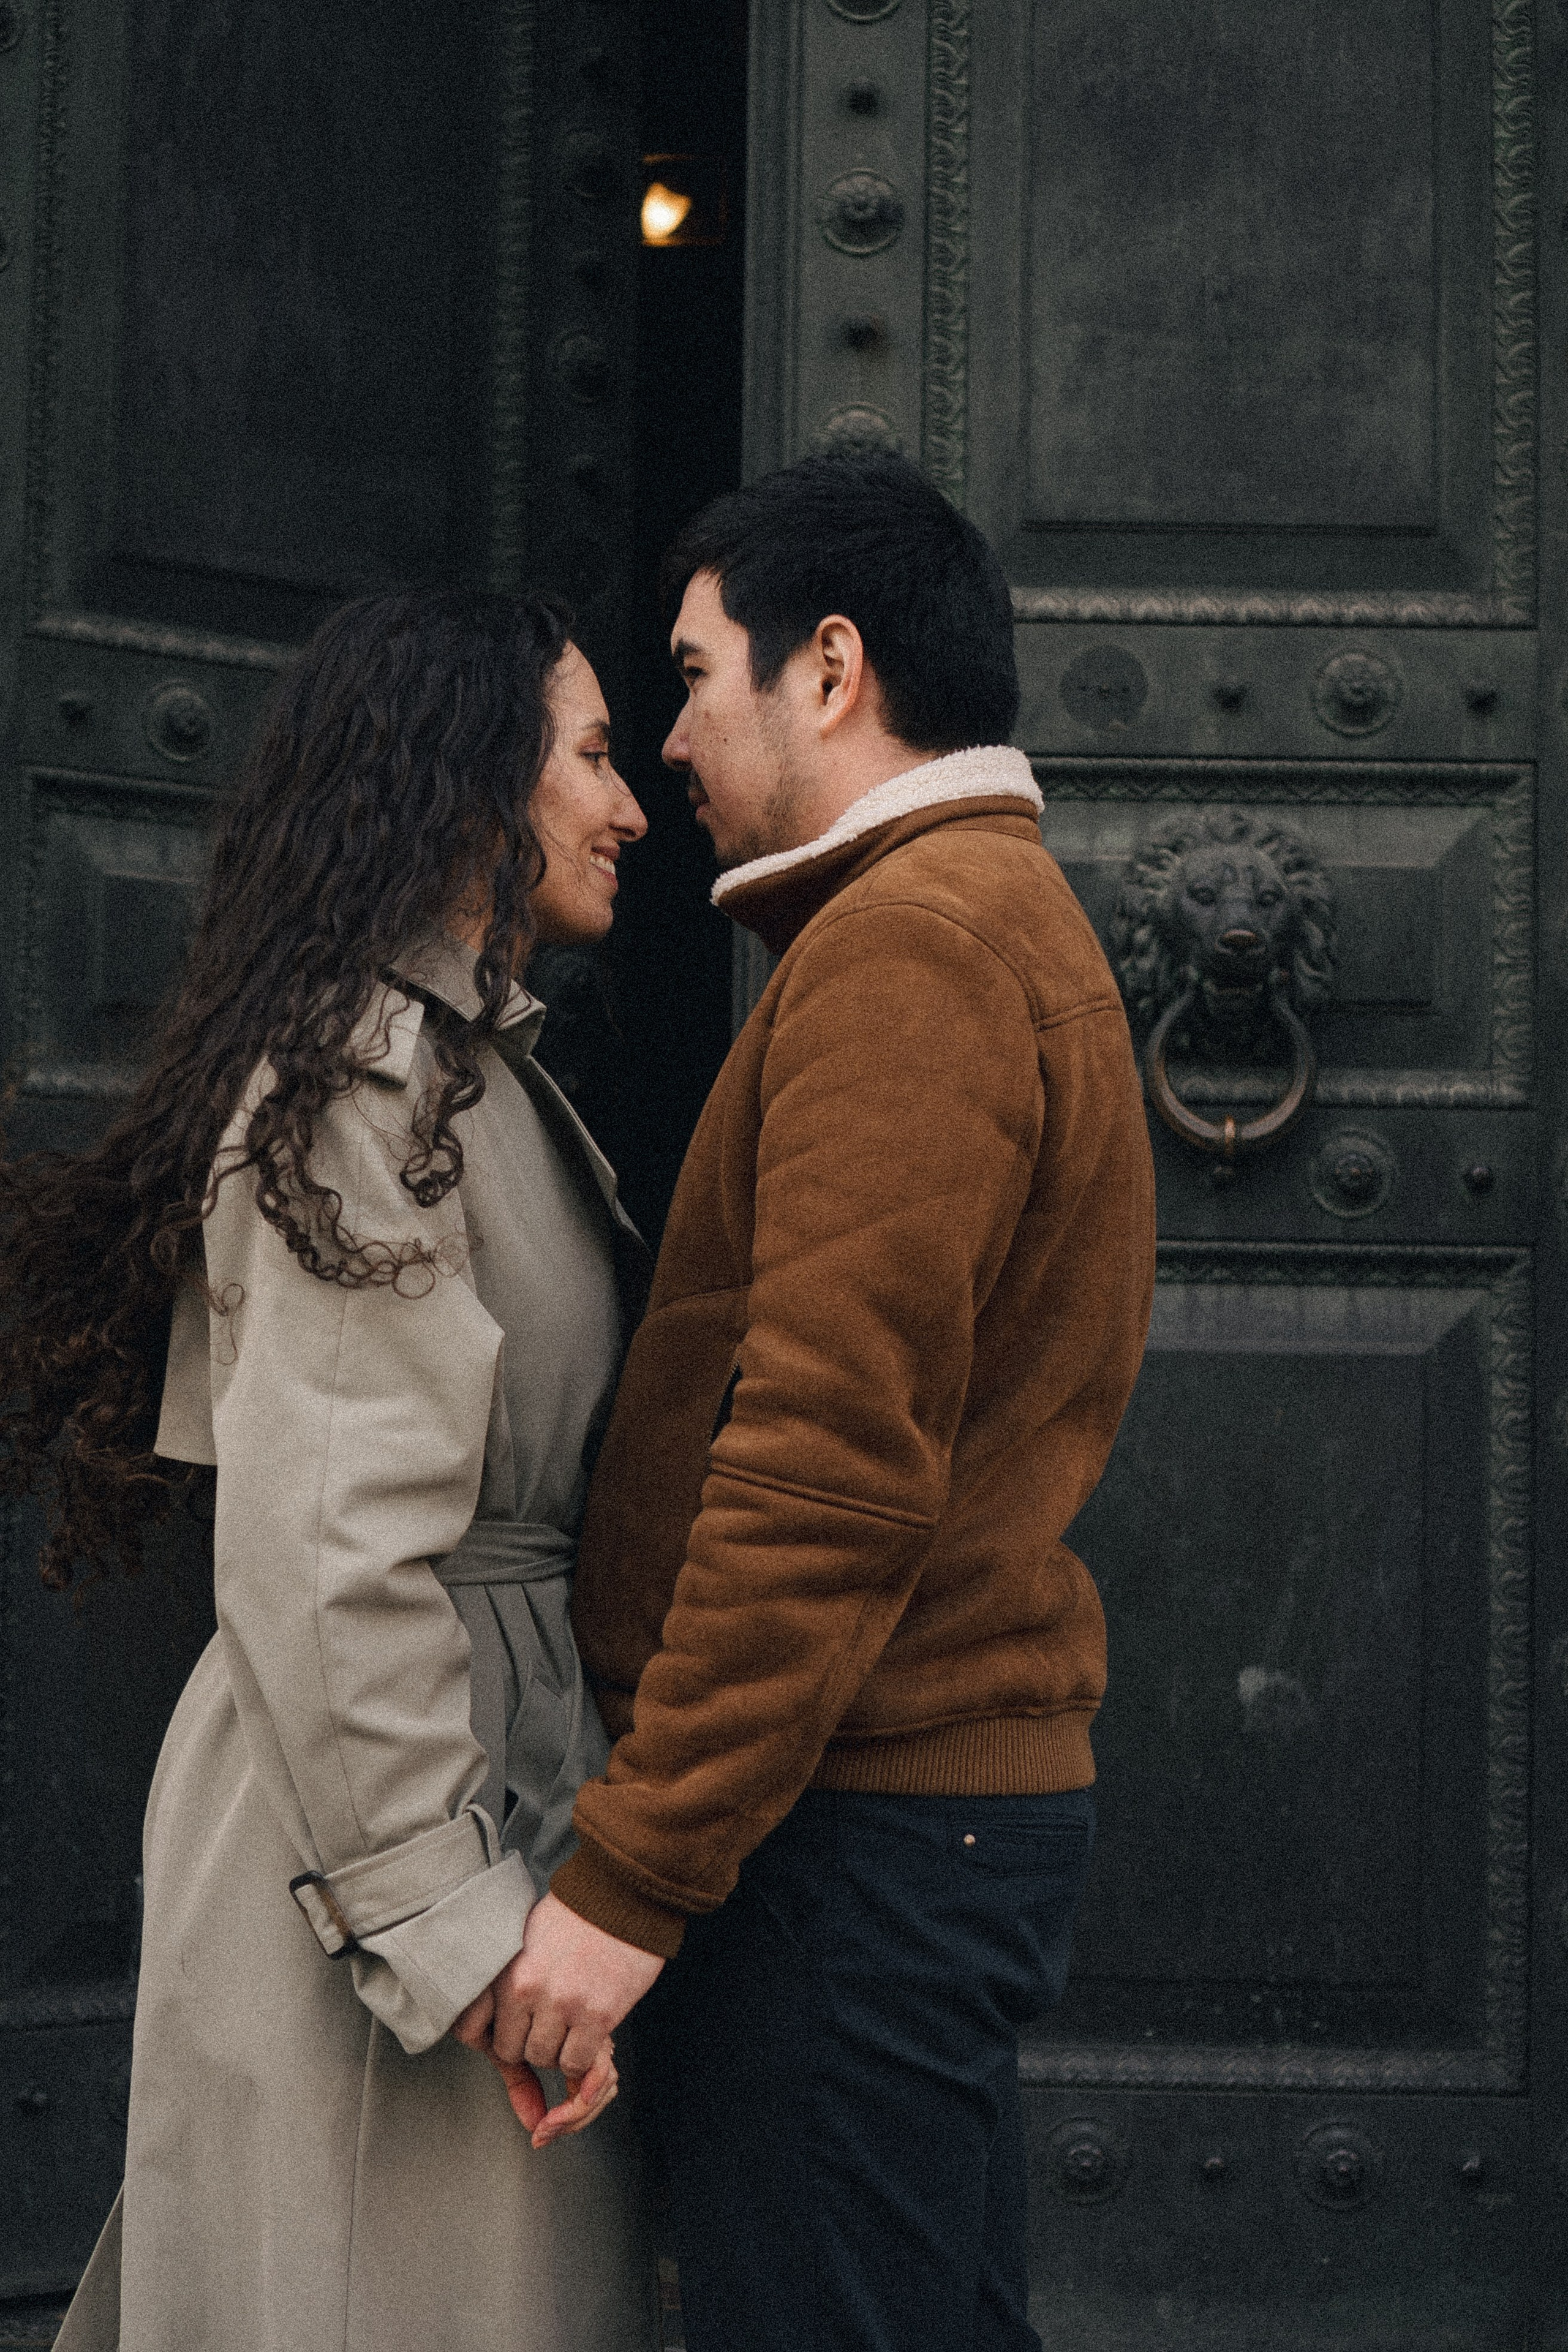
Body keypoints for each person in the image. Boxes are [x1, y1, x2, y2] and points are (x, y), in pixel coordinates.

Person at [475, 451, 1158, 2350]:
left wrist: (632, 1877)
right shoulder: (954, 920)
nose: (672, 743)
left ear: (832, 667)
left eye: (694, 678)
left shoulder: (916, 949)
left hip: (847, 1851)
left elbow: (827, 1469)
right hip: (888, 1836)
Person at [1, 588, 662, 2352]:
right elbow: (323, 1553)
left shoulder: (470, 1074)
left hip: (479, 1785)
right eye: (592, 756)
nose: (633, 803)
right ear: (468, 790)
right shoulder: (364, 1088)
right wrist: (456, 1930)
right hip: (376, 1843)